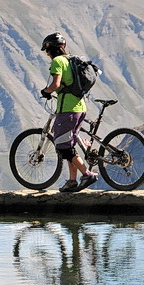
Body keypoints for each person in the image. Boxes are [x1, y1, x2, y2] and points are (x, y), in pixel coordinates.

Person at [40, 32, 97, 193]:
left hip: (67, 110)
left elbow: (56, 84)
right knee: (69, 145)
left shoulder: (58, 61)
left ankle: (87, 174)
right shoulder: (71, 60)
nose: (47, 54)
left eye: (47, 50)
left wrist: (46, 91)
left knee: (62, 146)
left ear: (51, 50)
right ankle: (72, 182)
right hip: (80, 109)